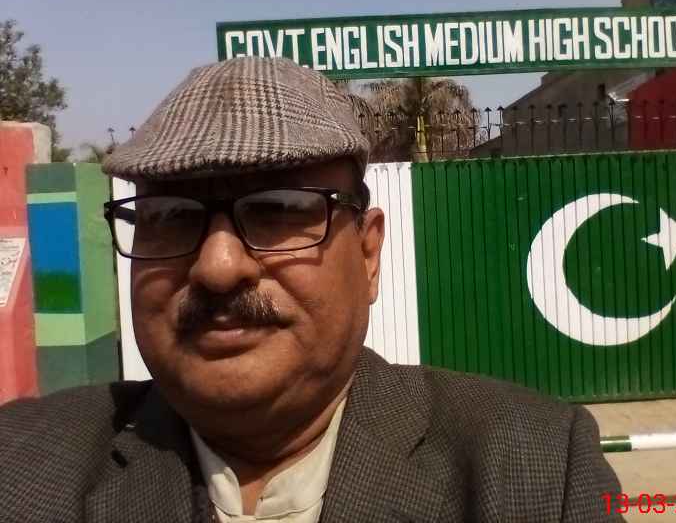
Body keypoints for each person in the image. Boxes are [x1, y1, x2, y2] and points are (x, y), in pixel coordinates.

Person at [0, 57, 622, 522]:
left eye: (277, 210)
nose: (218, 267)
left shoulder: (533, 472)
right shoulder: (21, 466)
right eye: (171, 217)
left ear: (369, 253)